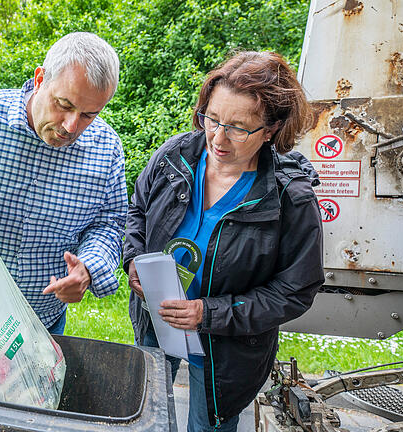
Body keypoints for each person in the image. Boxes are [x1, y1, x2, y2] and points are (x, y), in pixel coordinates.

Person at [123, 51, 324, 431]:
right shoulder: (175, 156)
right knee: (145, 419)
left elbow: (296, 290)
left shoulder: (289, 198)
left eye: (238, 127)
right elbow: (137, 211)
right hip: (156, 323)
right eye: (212, 119)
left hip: (225, 351)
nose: (218, 137)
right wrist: (133, 258)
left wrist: (209, 313)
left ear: (271, 130)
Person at [0, 32, 127, 340]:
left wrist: (87, 268)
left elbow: (109, 223)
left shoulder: (107, 148)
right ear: (39, 79)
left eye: (89, 115)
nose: (71, 126)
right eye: (63, 104)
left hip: (43, 321)